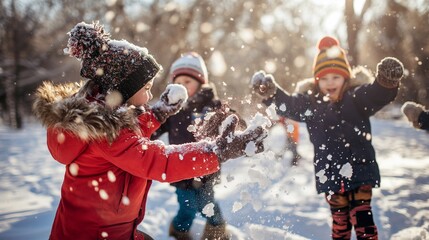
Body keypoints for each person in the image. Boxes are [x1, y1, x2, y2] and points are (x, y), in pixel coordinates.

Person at [32, 21, 267, 240]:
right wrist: (216, 152)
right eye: (146, 88)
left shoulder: (101, 119)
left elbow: (128, 136)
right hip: (97, 233)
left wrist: (156, 115)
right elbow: (159, 161)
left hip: (100, 227)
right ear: (122, 89)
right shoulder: (105, 134)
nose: (150, 95)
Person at [250, 36, 404, 239]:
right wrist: (271, 95)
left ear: (346, 78)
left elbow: (375, 94)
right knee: (340, 223)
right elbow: (290, 104)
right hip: (329, 174)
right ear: (316, 80)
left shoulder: (357, 97)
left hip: (359, 169)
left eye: (335, 77)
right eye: (324, 78)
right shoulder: (311, 104)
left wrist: (385, 83)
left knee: (363, 220)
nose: (329, 82)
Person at [151, 52, 244, 240]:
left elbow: (236, 123)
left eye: (188, 82)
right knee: (187, 207)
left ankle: (217, 230)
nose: (183, 87)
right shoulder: (171, 109)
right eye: (179, 82)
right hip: (180, 169)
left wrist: (233, 124)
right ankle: (178, 231)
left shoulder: (213, 106)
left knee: (207, 204)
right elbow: (154, 127)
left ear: (201, 83)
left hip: (206, 169)